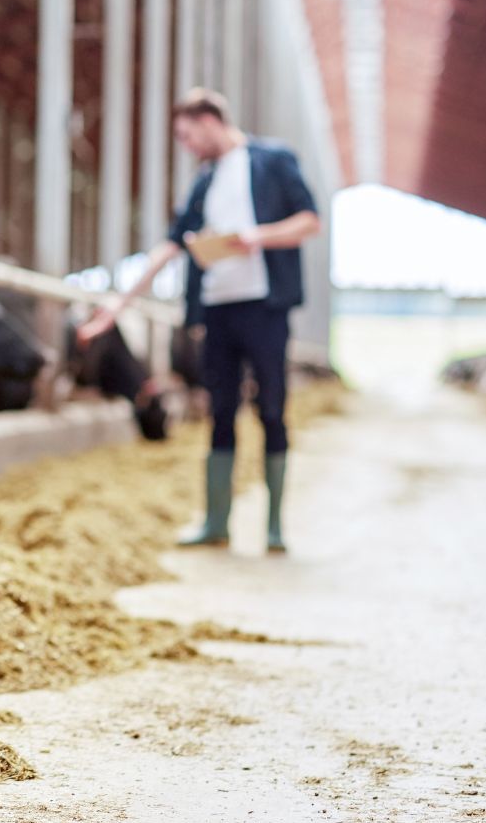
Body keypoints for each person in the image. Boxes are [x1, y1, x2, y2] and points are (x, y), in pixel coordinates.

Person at [78, 88, 320, 553]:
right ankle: (216, 522)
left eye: (188, 136)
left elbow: (310, 221)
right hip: (218, 311)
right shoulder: (204, 182)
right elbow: (170, 246)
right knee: (220, 411)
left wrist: (256, 237)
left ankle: (273, 527)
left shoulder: (272, 160)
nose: (187, 146)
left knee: (271, 408)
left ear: (210, 120)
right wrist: (117, 305)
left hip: (265, 307)